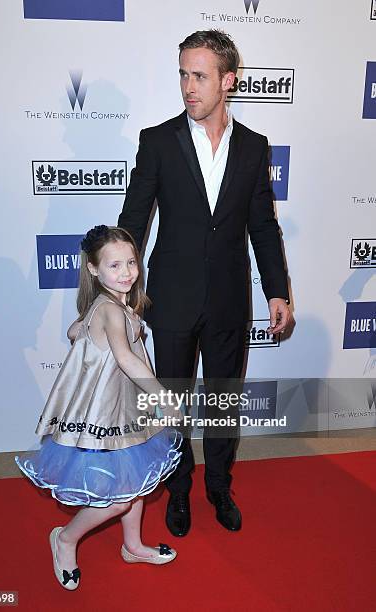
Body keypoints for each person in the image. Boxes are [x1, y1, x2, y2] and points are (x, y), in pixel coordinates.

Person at [118, 29, 291, 537]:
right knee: (171, 402)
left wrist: (276, 290)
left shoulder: (256, 148)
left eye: (199, 76)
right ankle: (177, 490)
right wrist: (119, 290)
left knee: (221, 400)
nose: (188, 87)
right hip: (169, 298)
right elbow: (133, 220)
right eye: (182, 75)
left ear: (228, 81)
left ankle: (218, 484)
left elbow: (262, 224)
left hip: (229, 299)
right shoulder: (157, 141)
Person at [15, 225, 182, 591]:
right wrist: (163, 398)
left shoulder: (111, 304)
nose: (126, 273)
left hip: (126, 409)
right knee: (116, 499)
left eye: (131, 263)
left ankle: (133, 546)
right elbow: (126, 358)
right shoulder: (109, 308)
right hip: (105, 417)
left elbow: (77, 332)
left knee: (136, 484)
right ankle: (65, 539)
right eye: (114, 266)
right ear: (93, 269)